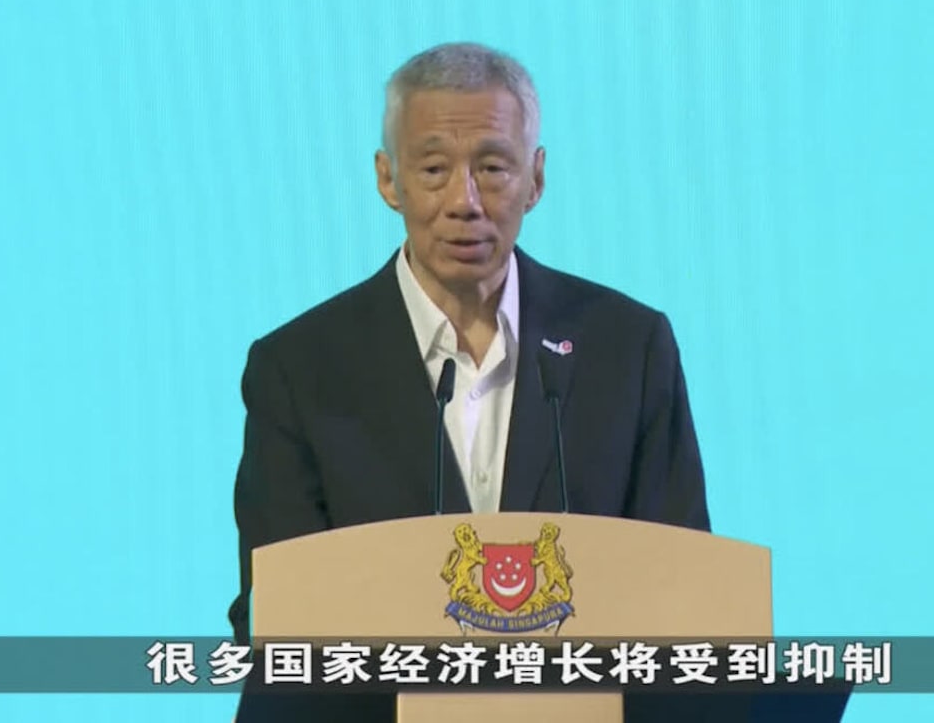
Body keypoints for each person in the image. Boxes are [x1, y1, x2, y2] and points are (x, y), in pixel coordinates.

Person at [229, 41, 711, 722]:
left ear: (535, 179)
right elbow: (273, 616)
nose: (465, 201)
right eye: (433, 169)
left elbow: (688, 591)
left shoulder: (627, 348)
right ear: (388, 179)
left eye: (492, 167)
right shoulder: (301, 367)